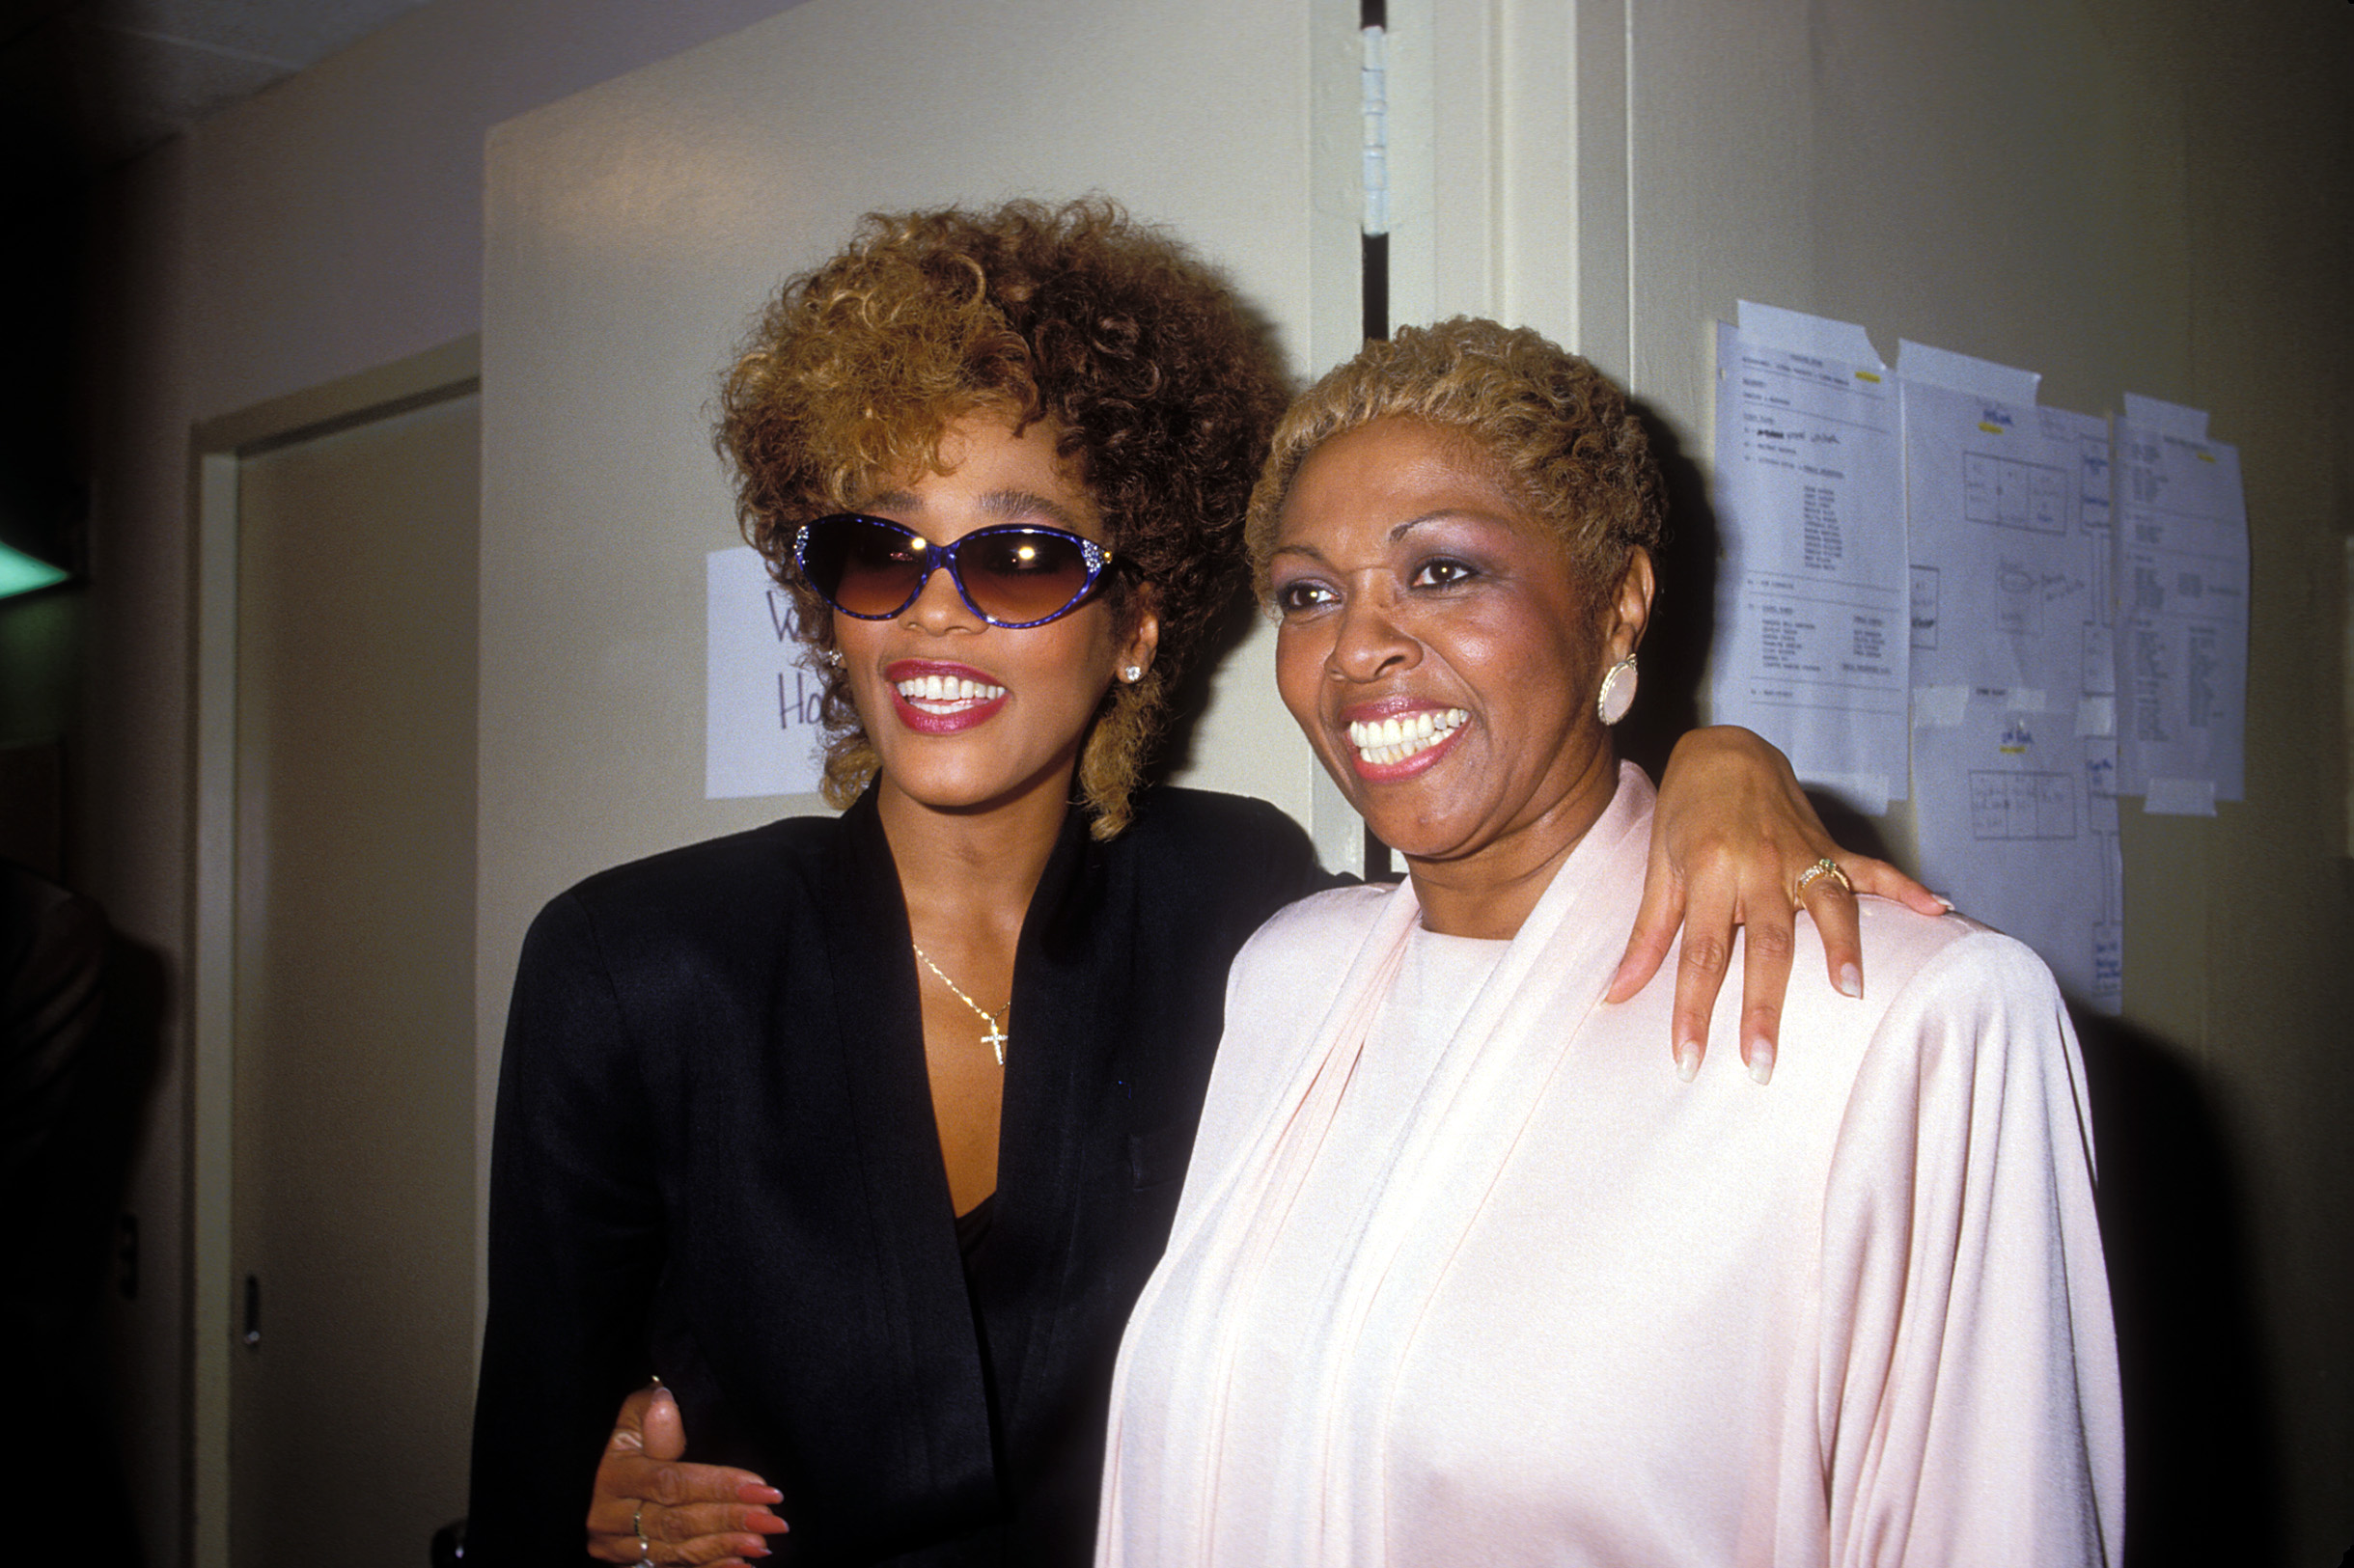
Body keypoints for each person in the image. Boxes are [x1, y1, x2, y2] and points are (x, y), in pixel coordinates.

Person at [466, 205, 1936, 1567]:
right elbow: (529, 1481)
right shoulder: (637, 966)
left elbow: (1509, 891)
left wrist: (1718, 761)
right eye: (876, 550)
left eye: (1019, 554)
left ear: (1136, 627)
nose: (933, 612)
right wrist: (595, 1518)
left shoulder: (1246, 912)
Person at [1096, 318, 2122, 1565]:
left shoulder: (1908, 1021)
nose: (1356, 648)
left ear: (1618, 603)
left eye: (1442, 571)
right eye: (1309, 595)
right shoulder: (1288, 978)